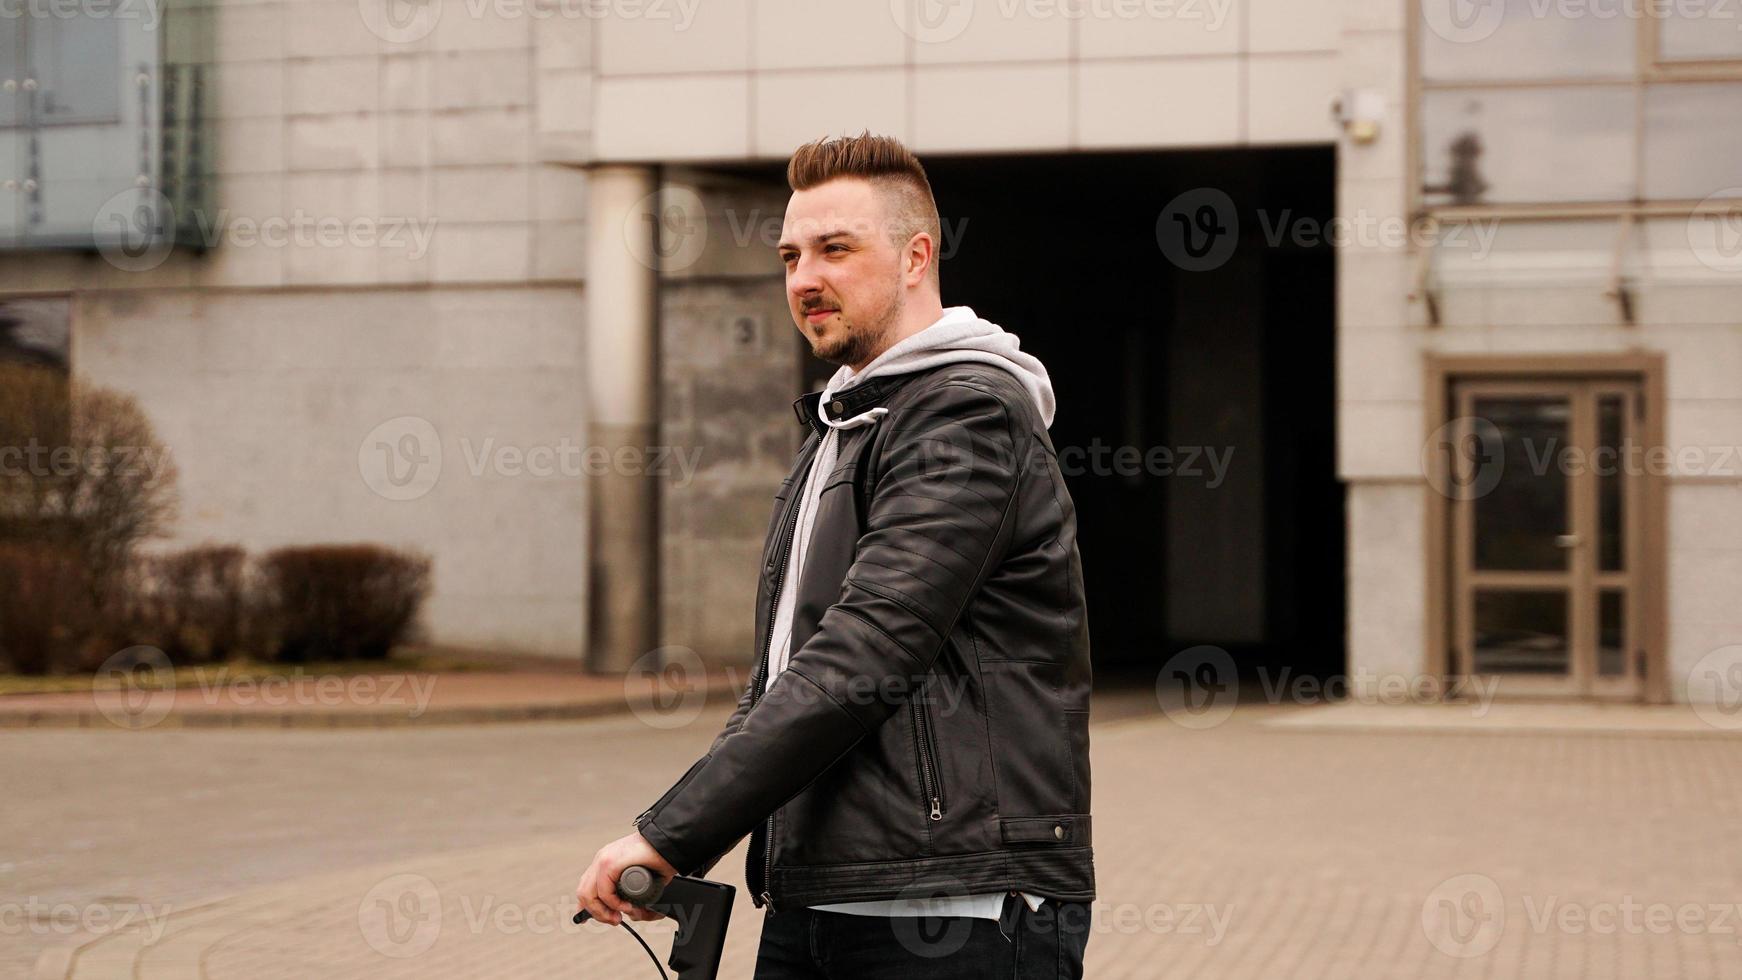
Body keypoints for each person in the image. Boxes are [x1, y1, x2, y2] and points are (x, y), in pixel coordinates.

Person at [577, 131, 1095, 978]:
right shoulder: (846, 427)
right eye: (790, 256)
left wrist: (672, 833)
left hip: (952, 905)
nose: (804, 279)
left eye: (835, 249)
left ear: (917, 255)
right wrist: (678, 831)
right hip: (823, 898)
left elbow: (867, 648)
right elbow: (785, 677)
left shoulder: (964, 418)